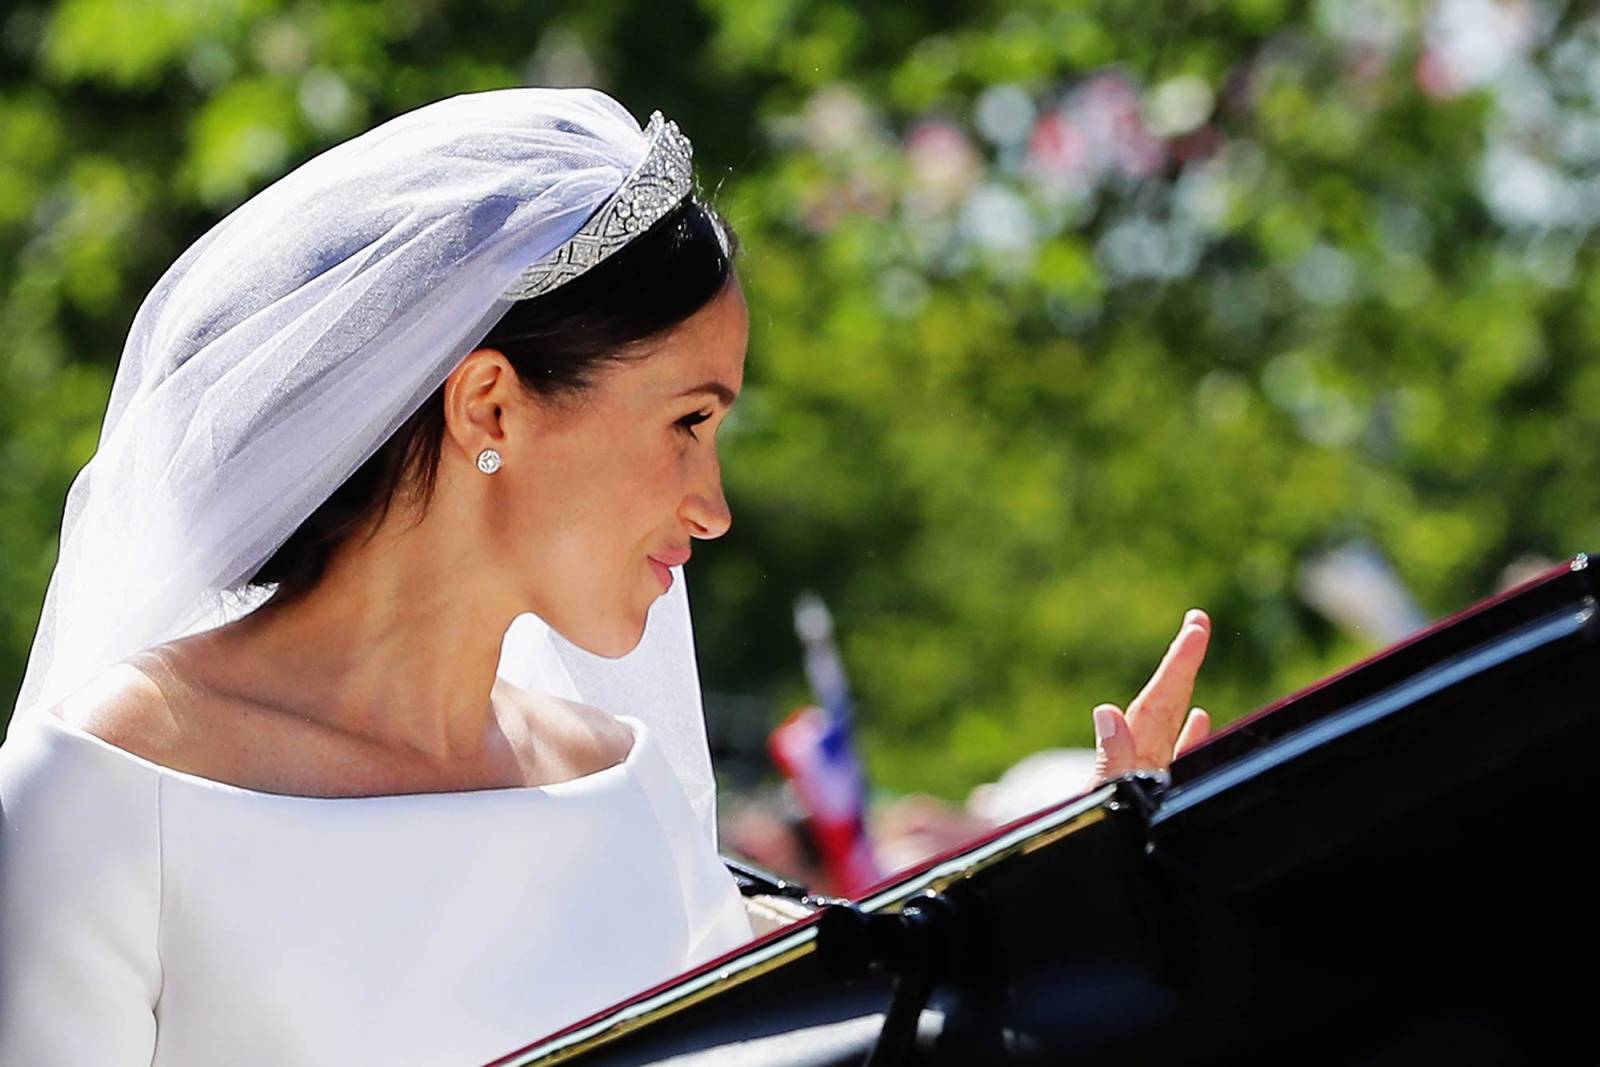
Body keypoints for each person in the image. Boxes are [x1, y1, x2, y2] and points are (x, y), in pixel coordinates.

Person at [0, 87, 1208, 1064]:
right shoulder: (111, 789)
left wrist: (1092, 879)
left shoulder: (626, 797)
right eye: (688, 420)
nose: (713, 505)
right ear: (490, 402)